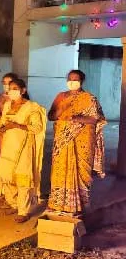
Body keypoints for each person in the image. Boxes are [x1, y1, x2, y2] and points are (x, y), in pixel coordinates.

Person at [47, 70, 106, 216]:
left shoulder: (89, 98)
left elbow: (95, 119)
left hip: (82, 141)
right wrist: (60, 110)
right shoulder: (60, 96)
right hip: (62, 141)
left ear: (82, 81)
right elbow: (51, 116)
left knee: (81, 172)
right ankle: (58, 204)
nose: (72, 82)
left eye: (76, 79)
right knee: (60, 171)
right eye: (70, 79)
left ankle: (80, 207)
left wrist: (75, 118)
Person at [0, 78, 46, 223]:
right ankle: (14, 204)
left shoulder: (31, 107)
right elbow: (5, 123)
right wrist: (1, 127)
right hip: (8, 145)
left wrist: (17, 126)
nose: (12, 91)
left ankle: (23, 211)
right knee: (7, 177)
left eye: (15, 88)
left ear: (23, 90)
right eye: (10, 88)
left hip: (24, 146)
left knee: (22, 179)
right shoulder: (6, 105)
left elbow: (37, 128)